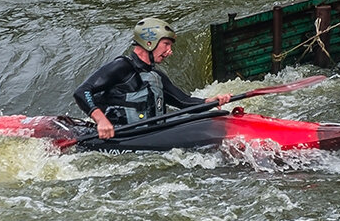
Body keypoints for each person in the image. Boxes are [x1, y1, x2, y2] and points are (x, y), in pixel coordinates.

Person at [73, 17, 231, 139]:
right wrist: (100, 120)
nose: (170, 51)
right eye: (166, 44)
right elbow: (82, 92)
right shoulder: (121, 67)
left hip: (151, 134)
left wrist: (210, 102)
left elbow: (185, 102)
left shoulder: (156, 77)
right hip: (120, 136)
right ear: (149, 42)